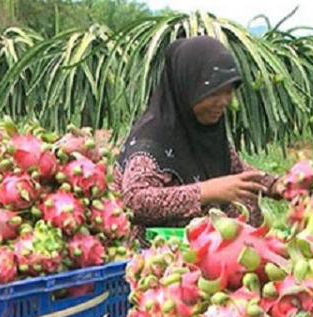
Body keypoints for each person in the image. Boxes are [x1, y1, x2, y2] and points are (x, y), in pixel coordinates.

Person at [113, 36, 286, 245]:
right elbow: (135, 201)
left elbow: (237, 171)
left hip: (212, 256)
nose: (223, 102)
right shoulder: (152, 139)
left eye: (228, 92)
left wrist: (275, 185)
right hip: (163, 258)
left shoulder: (204, 129)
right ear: (188, 87)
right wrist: (206, 191)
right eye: (213, 93)